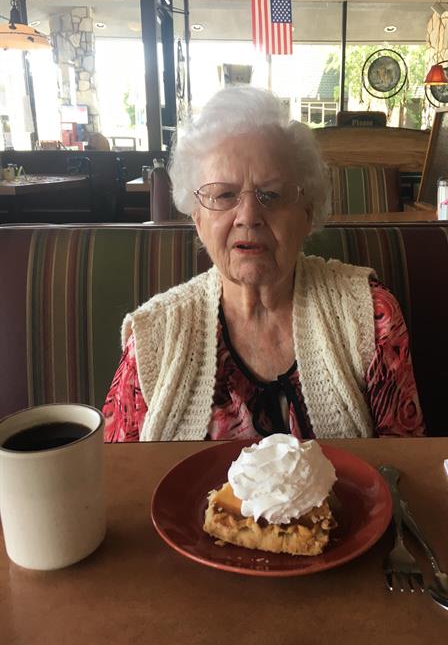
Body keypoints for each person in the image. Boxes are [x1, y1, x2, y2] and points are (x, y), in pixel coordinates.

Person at [102, 86, 424, 442]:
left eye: (271, 194)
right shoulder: (153, 336)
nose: (249, 216)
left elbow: (401, 469)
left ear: (307, 213)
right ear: (197, 218)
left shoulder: (371, 315)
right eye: (224, 194)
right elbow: (120, 476)